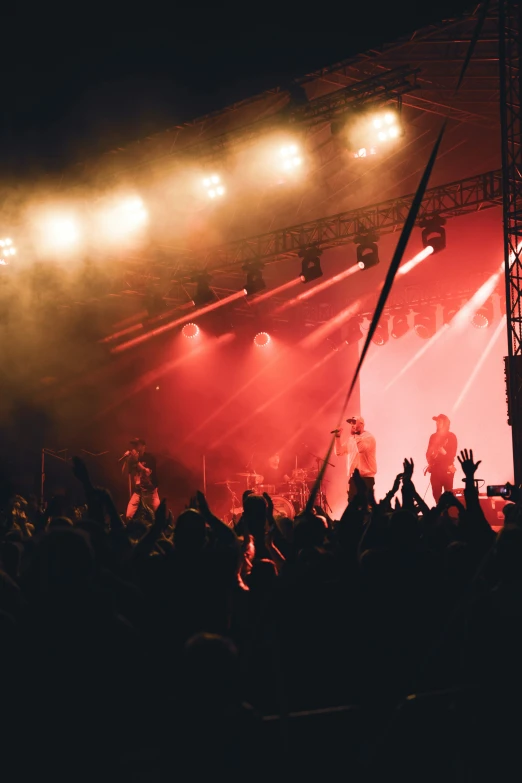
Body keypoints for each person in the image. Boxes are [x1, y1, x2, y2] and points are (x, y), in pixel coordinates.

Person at [334, 416, 377, 501]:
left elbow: (361, 449)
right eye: (351, 423)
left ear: (361, 424)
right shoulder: (352, 439)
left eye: (354, 422)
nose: (352, 425)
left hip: (366, 478)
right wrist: (337, 438)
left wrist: (356, 435)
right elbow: (339, 452)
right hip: (354, 478)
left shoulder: (369, 438)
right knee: (353, 507)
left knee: (366, 506)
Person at [123, 438, 159, 521]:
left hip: (150, 493)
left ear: (143, 446)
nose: (134, 447)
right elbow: (124, 474)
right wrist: (126, 461)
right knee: (129, 516)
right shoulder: (132, 460)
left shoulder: (150, 458)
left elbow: (147, 473)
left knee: (155, 518)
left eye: (137, 445)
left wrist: (136, 462)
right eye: (133, 445)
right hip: (138, 492)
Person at [425, 414, 457, 503]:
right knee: (436, 495)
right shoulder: (433, 437)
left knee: (448, 495)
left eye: (439, 422)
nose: (437, 423)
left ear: (445, 423)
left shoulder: (451, 436)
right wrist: (430, 461)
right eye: (437, 422)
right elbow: (428, 453)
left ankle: (448, 514)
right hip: (435, 470)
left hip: (447, 470)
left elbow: (453, 454)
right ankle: (440, 513)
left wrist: (444, 453)